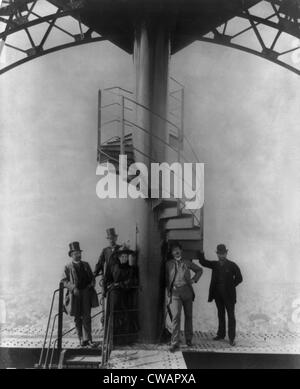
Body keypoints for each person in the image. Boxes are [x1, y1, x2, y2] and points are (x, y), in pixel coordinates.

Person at [198, 244, 243, 346]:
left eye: (223, 253)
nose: (221, 255)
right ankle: (221, 334)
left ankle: (231, 338)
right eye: (219, 253)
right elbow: (203, 262)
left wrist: (231, 286)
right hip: (218, 295)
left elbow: (240, 278)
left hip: (229, 296)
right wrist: (200, 253)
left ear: (226, 253)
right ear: (217, 254)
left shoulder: (232, 265)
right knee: (220, 314)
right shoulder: (215, 264)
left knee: (231, 316)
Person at [165, 241, 203, 352]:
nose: (176, 252)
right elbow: (166, 279)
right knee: (176, 317)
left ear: (181, 250)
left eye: (177, 249)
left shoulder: (187, 262)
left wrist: (194, 280)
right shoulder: (168, 264)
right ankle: (175, 343)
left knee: (189, 316)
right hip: (175, 294)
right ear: (172, 253)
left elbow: (199, 270)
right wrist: (169, 291)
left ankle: (189, 339)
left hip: (187, 292)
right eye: (173, 250)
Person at [61, 241, 99, 347]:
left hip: (86, 293)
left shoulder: (86, 265)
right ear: (71, 255)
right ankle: (81, 339)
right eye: (75, 253)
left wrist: (91, 284)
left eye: (79, 253)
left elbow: (92, 278)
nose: (78, 255)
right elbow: (64, 281)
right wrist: (73, 288)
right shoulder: (67, 267)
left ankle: (89, 339)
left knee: (87, 316)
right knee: (77, 317)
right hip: (75, 295)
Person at [105, 244, 139, 345]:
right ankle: (112, 339)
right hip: (114, 294)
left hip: (125, 294)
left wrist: (119, 284)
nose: (124, 259)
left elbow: (132, 281)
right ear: (119, 257)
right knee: (114, 315)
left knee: (125, 316)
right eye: (122, 257)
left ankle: (124, 340)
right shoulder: (113, 267)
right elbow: (107, 279)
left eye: (126, 257)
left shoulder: (131, 269)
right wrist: (109, 286)